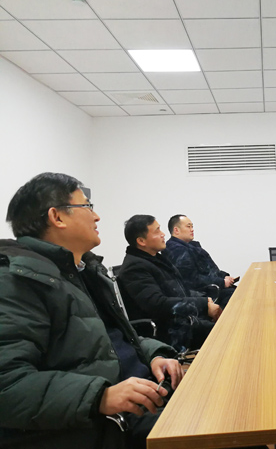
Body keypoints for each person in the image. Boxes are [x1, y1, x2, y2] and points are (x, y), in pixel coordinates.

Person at [0, 173, 183, 449]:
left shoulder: (82, 271)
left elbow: (112, 341)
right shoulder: (15, 281)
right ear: (57, 217)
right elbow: (7, 385)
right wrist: (101, 397)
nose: (96, 217)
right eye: (87, 206)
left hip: (144, 394)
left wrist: (155, 354)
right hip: (107, 424)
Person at [117, 215, 221, 351]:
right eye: (157, 231)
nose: (163, 234)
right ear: (141, 241)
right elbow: (158, 304)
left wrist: (206, 301)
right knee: (228, 332)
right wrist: (203, 305)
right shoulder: (134, 268)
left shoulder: (156, 259)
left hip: (185, 320)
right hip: (172, 331)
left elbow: (181, 291)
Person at [163, 214, 237, 308]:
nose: (192, 229)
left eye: (192, 226)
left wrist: (224, 276)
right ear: (176, 230)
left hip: (213, 289)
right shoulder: (176, 250)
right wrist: (221, 282)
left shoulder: (191, 246)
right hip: (204, 295)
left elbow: (208, 269)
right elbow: (191, 279)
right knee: (239, 297)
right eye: (188, 226)